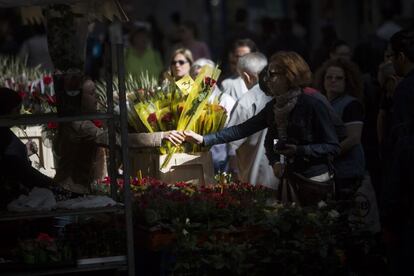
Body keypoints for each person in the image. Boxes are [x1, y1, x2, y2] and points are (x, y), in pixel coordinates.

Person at [185, 51, 340, 205]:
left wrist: (300, 150)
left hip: (314, 181)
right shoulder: (274, 106)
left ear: (289, 76)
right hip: (289, 179)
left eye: (272, 74)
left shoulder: (312, 104)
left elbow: (333, 146)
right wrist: (204, 139)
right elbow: (242, 129)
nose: (267, 79)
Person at [314, 58, 365, 200]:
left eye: (339, 78)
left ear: (346, 81)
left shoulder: (351, 104)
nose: (333, 80)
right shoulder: (323, 102)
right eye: (329, 77)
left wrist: (327, 156)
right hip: (330, 171)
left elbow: (354, 138)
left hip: (347, 170)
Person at [226, 52, 278, 189]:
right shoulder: (283, 94)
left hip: (255, 182)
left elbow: (231, 143)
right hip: (282, 177)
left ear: (247, 77)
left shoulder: (246, 102)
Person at [0, 87, 53, 208]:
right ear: (6, 110)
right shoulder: (4, 136)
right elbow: (16, 168)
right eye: (17, 110)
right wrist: (52, 184)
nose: (19, 115)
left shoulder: (6, 133)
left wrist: (25, 152)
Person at [190, 58, 236, 173]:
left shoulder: (226, 100)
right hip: (193, 161)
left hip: (221, 162)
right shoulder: (188, 103)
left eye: (204, 75)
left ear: (214, 77)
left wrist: (233, 159)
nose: (199, 79)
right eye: (196, 75)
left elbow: (234, 133)